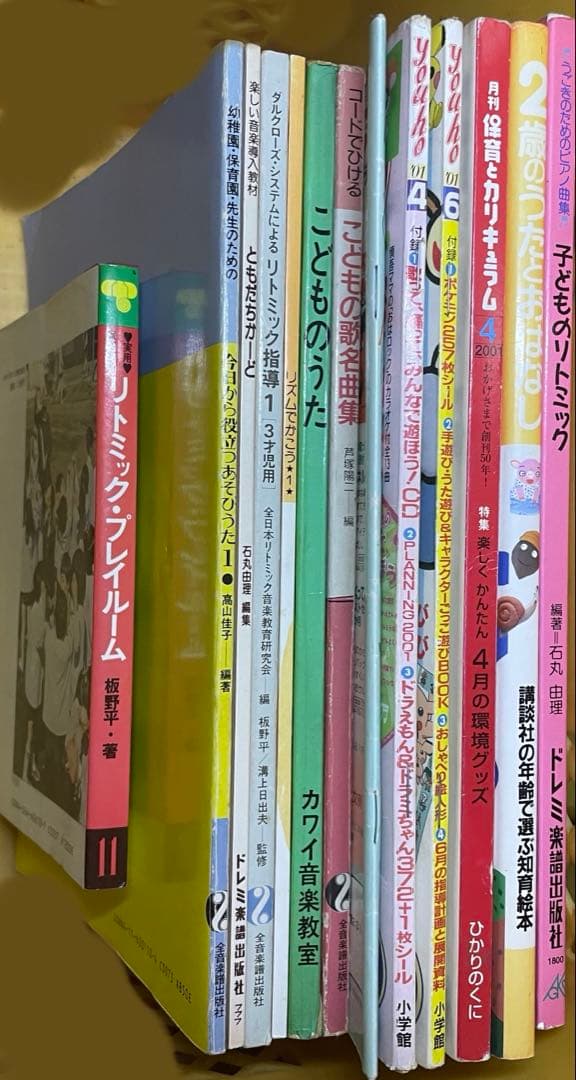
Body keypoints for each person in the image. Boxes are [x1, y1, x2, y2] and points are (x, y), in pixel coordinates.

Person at [23, 562, 47, 784]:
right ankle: (29, 763)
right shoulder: (39, 607)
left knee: (33, 717)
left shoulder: (35, 604)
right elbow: (39, 643)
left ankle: (29, 762)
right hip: (36, 667)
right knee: (33, 716)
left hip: (33, 666)